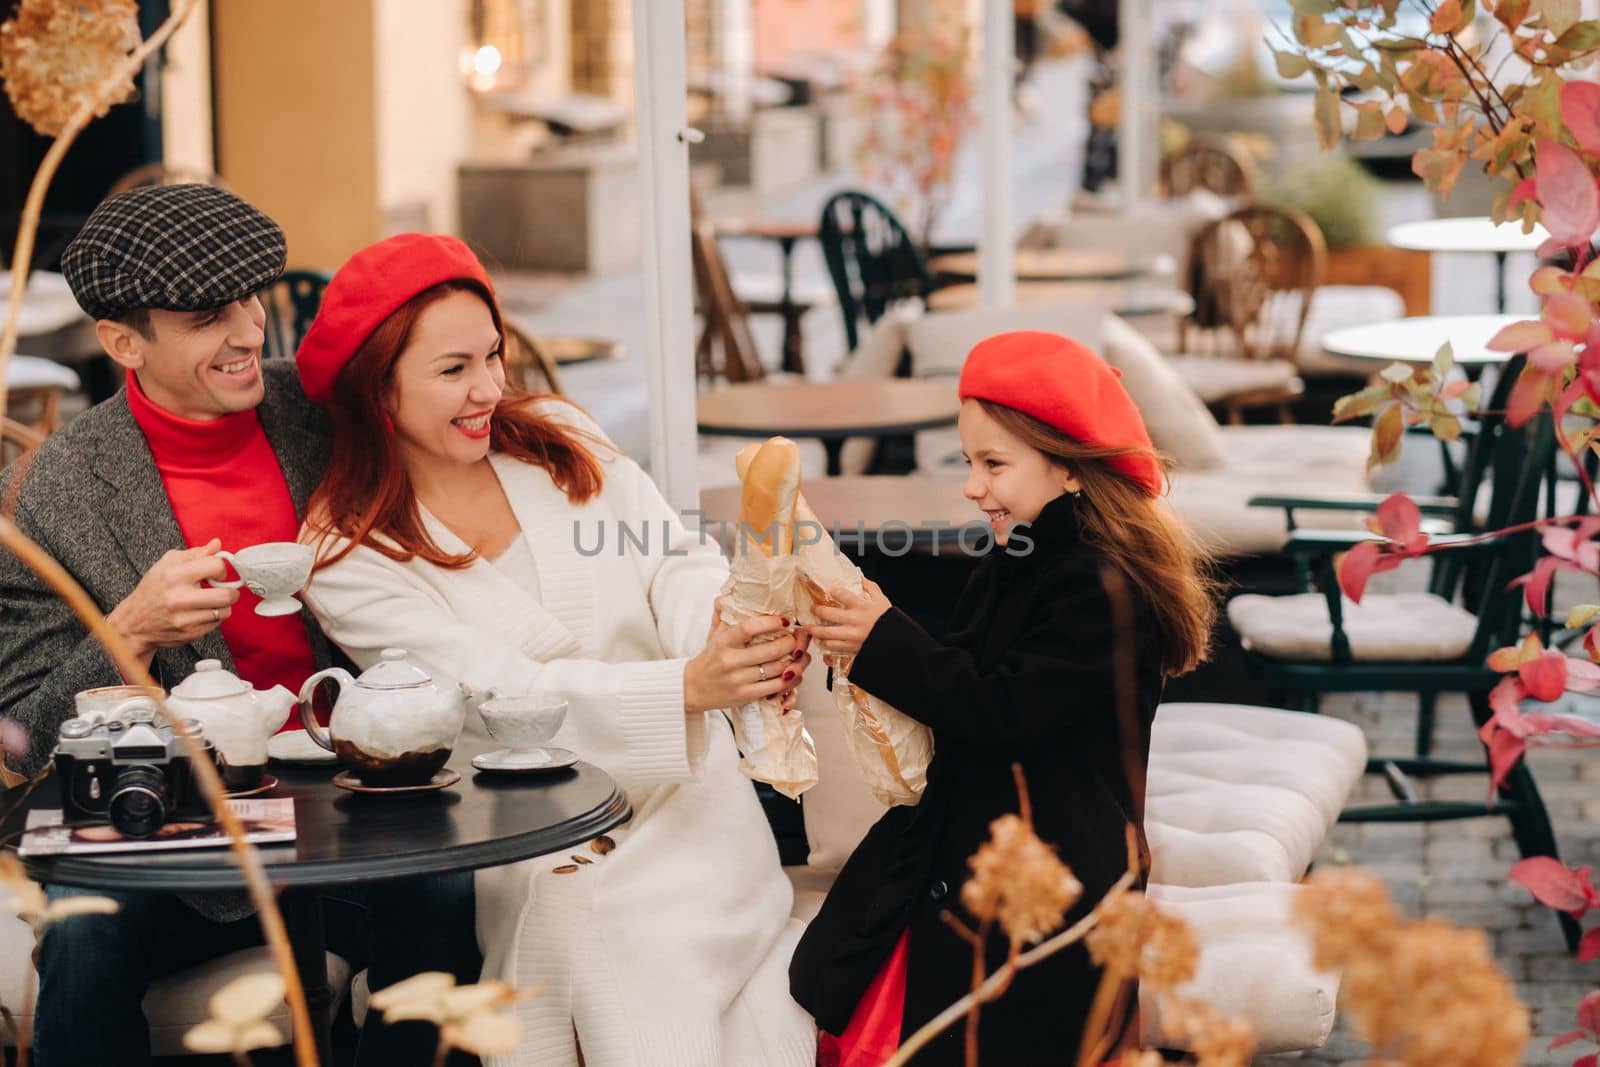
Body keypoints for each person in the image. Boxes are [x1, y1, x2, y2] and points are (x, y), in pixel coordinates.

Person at [293, 232, 819, 1067]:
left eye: (494, 355)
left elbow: (674, 561)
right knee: (605, 951)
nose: (490, 387)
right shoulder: (344, 550)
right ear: (378, 391)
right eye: (454, 368)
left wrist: (721, 639)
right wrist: (685, 684)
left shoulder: (559, 438)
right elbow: (495, 696)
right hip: (528, 831)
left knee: (656, 969)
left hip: (688, 794)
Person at [0, 185, 479, 1067]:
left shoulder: (320, 410)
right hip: (179, 836)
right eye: (206, 317)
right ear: (122, 342)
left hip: (356, 800)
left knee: (445, 897)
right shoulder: (55, 489)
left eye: (252, 298)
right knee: (83, 938)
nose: (251, 330)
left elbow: (466, 419)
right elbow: (25, 734)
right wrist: (131, 626)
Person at [790, 331, 1218, 1067]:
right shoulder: (1027, 549)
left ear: (1073, 470)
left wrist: (888, 640)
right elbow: (972, 668)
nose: (971, 485)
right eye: (968, 461)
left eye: (995, 464)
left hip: (1055, 889)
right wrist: (884, 627)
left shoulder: (1100, 583)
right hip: (985, 854)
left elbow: (1005, 709)